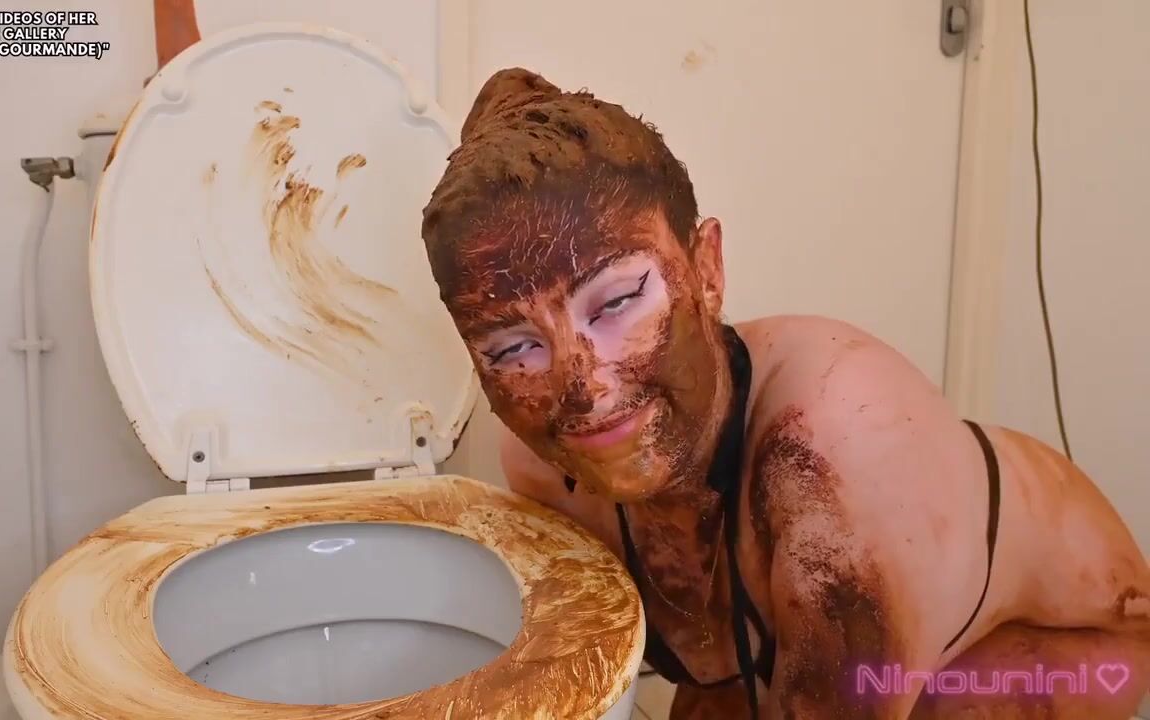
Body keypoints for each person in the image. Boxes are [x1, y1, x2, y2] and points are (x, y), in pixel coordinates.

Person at [420, 68, 1150, 718]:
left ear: (707, 268)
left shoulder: (839, 443)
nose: (581, 389)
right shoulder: (539, 462)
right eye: (512, 348)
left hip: (1062, 642)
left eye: (616, 303)